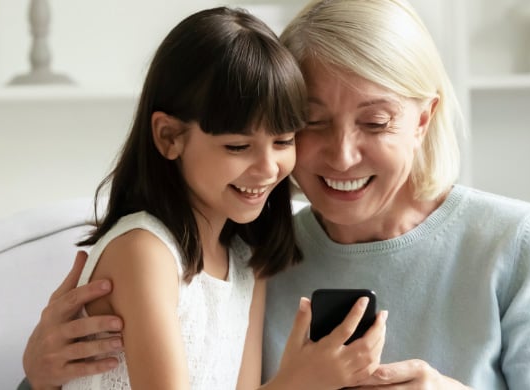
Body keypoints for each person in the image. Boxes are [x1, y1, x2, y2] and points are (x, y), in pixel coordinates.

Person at [20, 0, 530, 389]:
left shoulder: (519, 243)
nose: (342, 155)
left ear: (423, 119)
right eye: (312, 123)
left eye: (376, 122)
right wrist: (37, 375)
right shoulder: (256, 245)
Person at [34, 6, 387, 390]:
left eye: (283, 141)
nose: (268, 168)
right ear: (169, 137)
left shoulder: (245, 260)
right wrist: (301, 382)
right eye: (238, 146)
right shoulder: (144, 251)